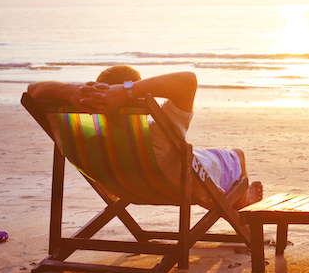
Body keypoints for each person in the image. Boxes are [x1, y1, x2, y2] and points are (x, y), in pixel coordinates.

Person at [27, 66, 263, 209]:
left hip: (122, 184)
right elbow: (188, 80)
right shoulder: (158, 136)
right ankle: (241, 201)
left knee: (197, 162)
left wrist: (70, 91)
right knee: (235, 156)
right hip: (175, 182)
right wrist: (128, 90)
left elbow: (33, 90)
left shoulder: (80, 136)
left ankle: (224, 198)